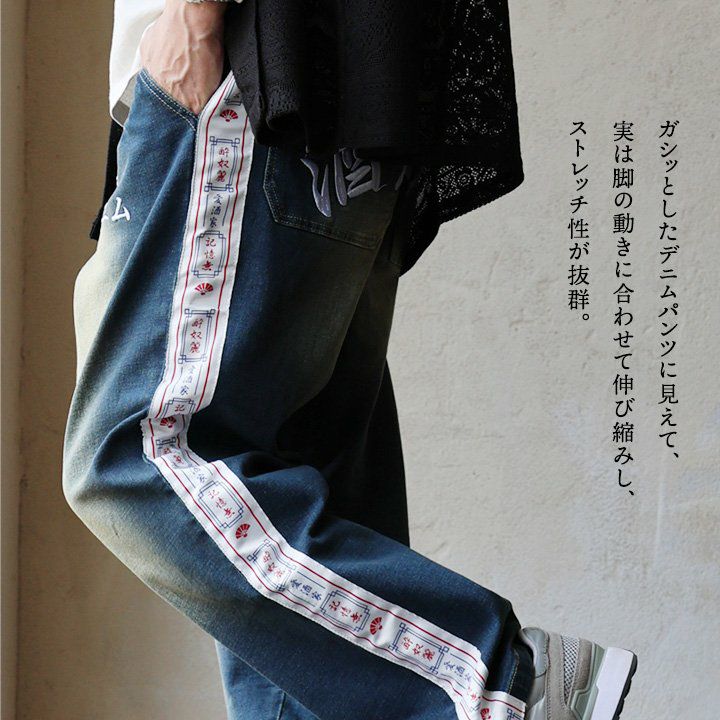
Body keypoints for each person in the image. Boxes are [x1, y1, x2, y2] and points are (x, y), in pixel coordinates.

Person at [61, 1, 638, 718]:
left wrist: (193, 16)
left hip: (251, 65)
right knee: (303, 566)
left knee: (133, 453)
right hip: (352, 71)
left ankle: (506, 677)